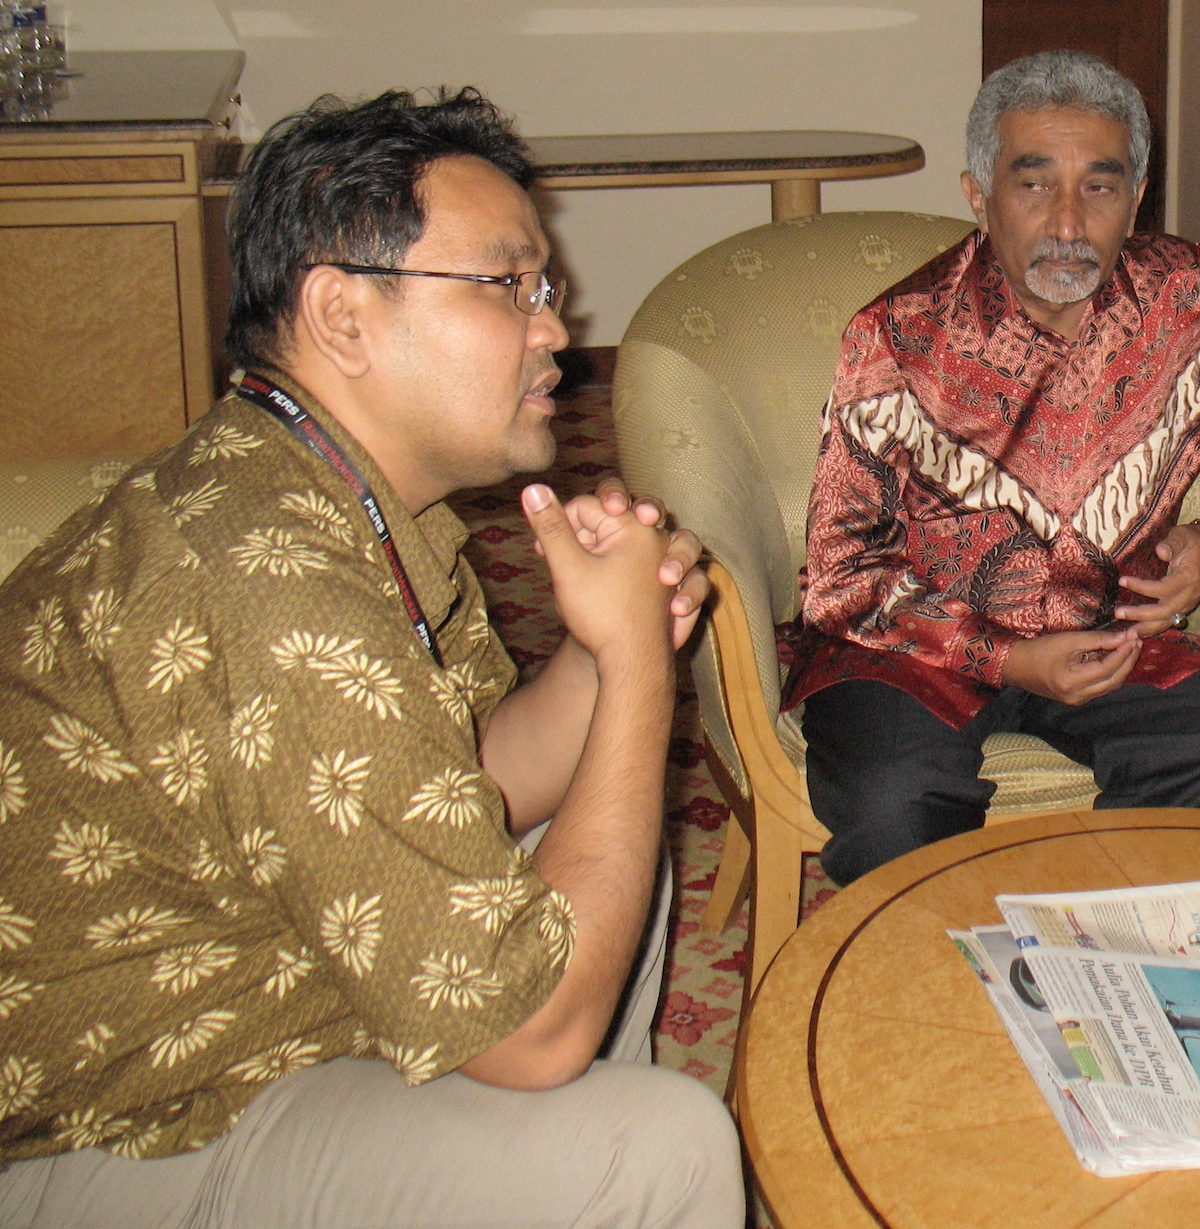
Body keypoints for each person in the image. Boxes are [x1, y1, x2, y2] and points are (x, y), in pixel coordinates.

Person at [0, 89, 742, 1229]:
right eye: (508, 284)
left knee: (590, 842)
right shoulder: (266, 577)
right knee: (660, 1148)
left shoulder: (329, 492)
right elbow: (532, 1032)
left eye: (543, 288)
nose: (554, 327)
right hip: (101, 1125)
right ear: (342, 314)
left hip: (242, 988)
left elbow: (480, 776)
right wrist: (643, 671)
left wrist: (606, 648)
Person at [788, 51, 1200, 885]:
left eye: (1100, 187)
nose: (1070, 223)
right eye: (1035, 184)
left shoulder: (1191, 298)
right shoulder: (897, 335)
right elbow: (838, 574)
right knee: (894, 799)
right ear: (979, 195)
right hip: (915, 644)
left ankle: (1101, 938)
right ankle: (935, 952)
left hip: (1106, 628)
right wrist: (1007, 659)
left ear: (1136, 197)